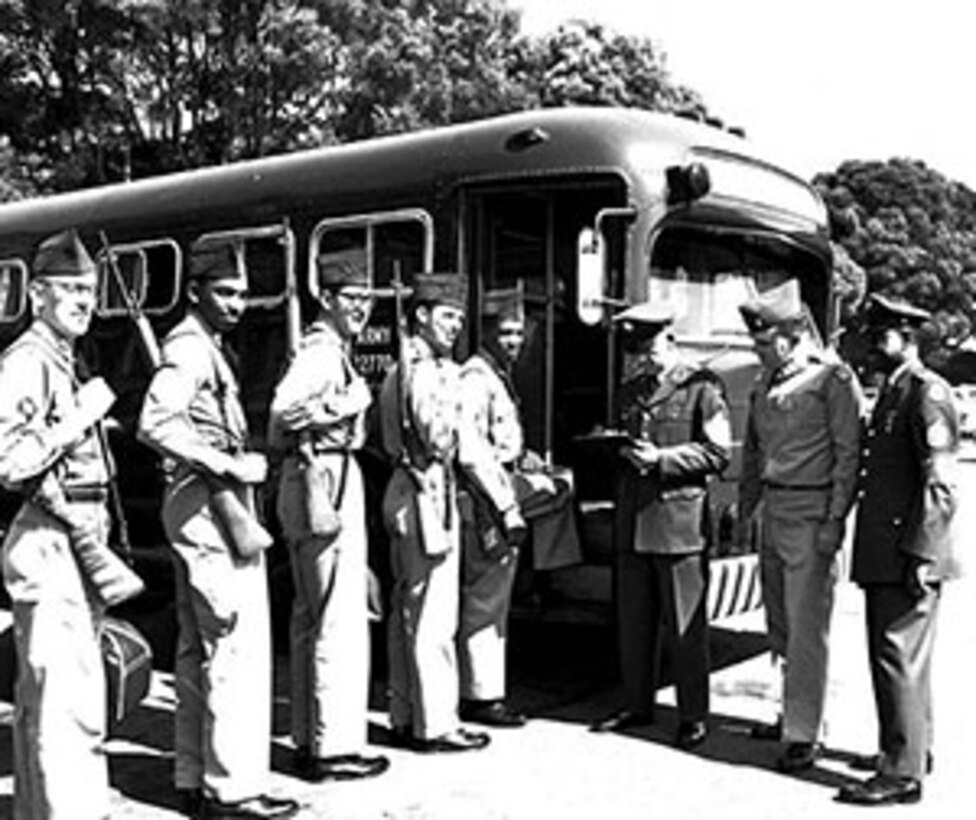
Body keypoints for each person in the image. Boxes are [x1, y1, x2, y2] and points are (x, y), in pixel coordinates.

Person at [138, 241, 299, 819]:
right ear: (196, 293)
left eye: (243, 293)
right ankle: (232, 791)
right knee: (232, 646)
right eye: (225, 292)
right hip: (207, 504)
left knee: (195, 647)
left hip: (201, 505)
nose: (238, 304)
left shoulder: (206, 345)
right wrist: (228, 465)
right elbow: (155, 421)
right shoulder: (190, 347)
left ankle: (193, 775)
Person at [0, 228, 142, 819]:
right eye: (70, 291)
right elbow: (8, 461)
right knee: (69, 708)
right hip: (51, 538)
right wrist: (79, 418)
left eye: (90, 290)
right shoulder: (28, 362)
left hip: (74, 537)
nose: (86, 301)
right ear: (38, 297)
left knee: (49, 703)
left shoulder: (62, 358)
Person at [267, 249, 389, 782]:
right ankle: (331, 749)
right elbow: (283, 412)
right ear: (327, 299)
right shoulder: (320, 353)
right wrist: (348, 403)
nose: (360, 308)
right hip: (324, 476)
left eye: (366, 299)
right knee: (335, 617)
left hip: (321, 475)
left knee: (311, 615)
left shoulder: (332, 348)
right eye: (351, 298)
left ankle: (309, 737)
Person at [590, 303, 731, 749]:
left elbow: (718, 453)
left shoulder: (702, 388)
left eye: (649, 347)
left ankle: (693, 714)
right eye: (637, 349)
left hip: (679, 521)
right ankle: (636, 704)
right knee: (634, 622)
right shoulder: (630, 389)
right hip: (635, 517)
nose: (643, 358)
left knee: (685, 625)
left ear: (669, 340)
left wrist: (663, 460)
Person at [837, 294, 959, 806]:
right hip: (888, 548)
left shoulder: (926, 394)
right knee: (904, 657)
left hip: (905, 552)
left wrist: (923, 554)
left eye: (879, 334)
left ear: (907, 337)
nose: (869, 344)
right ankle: (910, 749)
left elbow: (940, 484)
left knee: (896, 656)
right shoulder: (894, 391)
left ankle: (902, 773)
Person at [737, 279, 862, 773]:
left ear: (790, 337)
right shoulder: (765, 381)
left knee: (807, 629)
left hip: (812, 516)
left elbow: (848, 456)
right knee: (780, 624)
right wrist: (748, 505)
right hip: (775, 509)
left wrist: (835, 520)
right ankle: (790, 710)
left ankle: (805, 733)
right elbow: (753, 449)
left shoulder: (832, 380)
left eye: (763, 342)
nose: (757, 350)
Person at [455, 285, 578, 729]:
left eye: (518, 332)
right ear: (486, 332)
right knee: (485, 598)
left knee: (557, 489)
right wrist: (507, 505)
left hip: (499, 485)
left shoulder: (495, 375)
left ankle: (541, 579)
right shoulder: (475, 378)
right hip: (485, 498)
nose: (514, 340)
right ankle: (481, 696)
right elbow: (471, 450)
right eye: (505, 332)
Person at [378, 271, 490, 753]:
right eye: (446, 316)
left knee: (410, 611)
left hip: (410, 491)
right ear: (421, 316)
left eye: (459, 319)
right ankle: (436, 724)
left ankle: (405, 714)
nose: (454, 327)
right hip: (426, 491)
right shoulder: (425, 372)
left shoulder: (407, 367)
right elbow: (440, 438)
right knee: (432, 617)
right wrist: (457, 395)